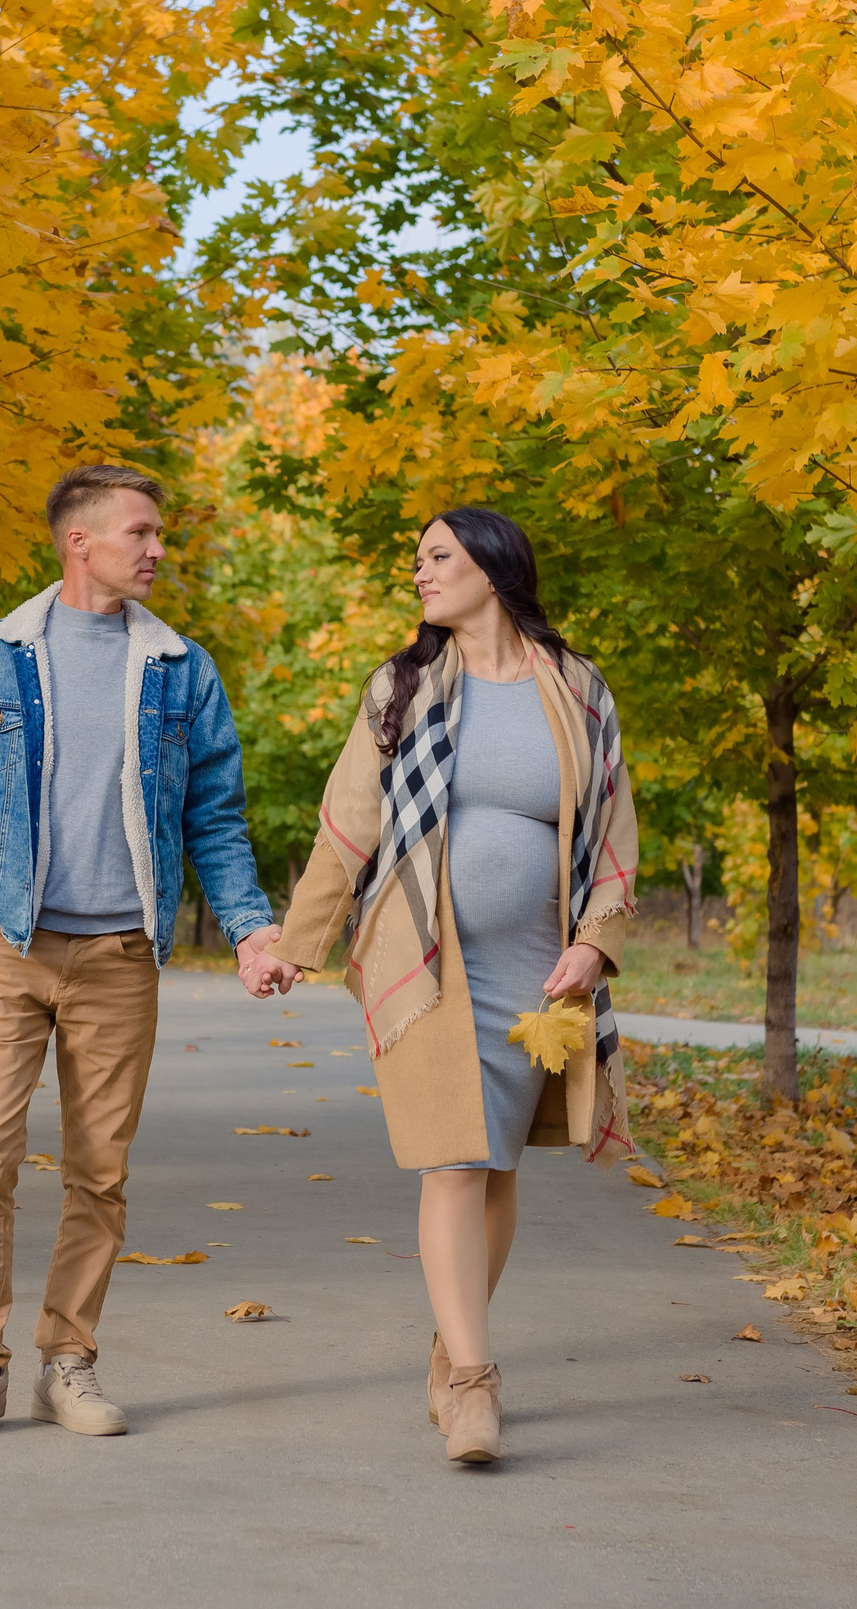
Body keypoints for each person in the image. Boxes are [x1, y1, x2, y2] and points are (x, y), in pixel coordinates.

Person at [0, 463, 299, 1438]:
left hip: (119, 952)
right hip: (9, 946)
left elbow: (215, 815)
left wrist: (251, 927)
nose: (158, 549)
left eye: (158, 535)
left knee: (98, 1172)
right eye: (142, 533)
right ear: (79, 541)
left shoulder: (179, 668)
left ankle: (67, 1359)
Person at [254, 507, 638, 1464]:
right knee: (453, 1159)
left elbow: (615, 831)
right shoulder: (406, 683)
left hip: (537, 966)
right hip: (423, 961)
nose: (421, 573)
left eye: (439, 556)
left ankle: (450, 1341)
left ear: (494, 568)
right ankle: (473, 1379)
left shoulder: (578, 687)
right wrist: (295, 945)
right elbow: (349, 819)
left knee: (496, 1162)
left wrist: (596, 944)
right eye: (417, 558)